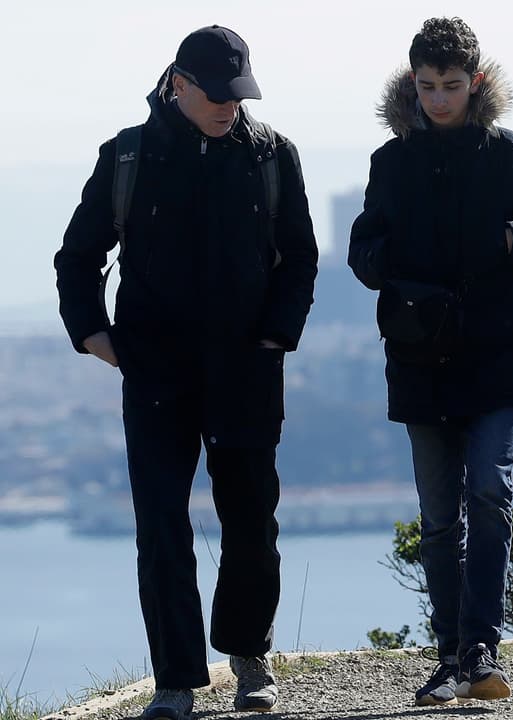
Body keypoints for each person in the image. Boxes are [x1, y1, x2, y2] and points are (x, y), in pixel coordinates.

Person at [53, 25, 318, 720]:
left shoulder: (271, 156)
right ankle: (175, 680)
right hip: (156, 376)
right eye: (217, 94)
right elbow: (77, 256)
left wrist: (274, 340)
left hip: (246, 371)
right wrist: (94, 336)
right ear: (179, 83)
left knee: (252, 523)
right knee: (162, 527)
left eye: (240, 93)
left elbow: (300, 257)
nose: (231, 106)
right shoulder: (128, 157)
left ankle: (249, 657)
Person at [347, 16, 513, 707]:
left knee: (490, 491)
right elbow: (363, 250)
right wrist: (387, 262)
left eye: (451, 86)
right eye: (427, 87)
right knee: (440, 517)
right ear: (412, 85)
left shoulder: (512, 157)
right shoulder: (390, 163)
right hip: (422, 361)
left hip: (499, 361)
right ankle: (451, 656)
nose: (439, 99)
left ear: (474, 83)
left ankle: (481, 650)